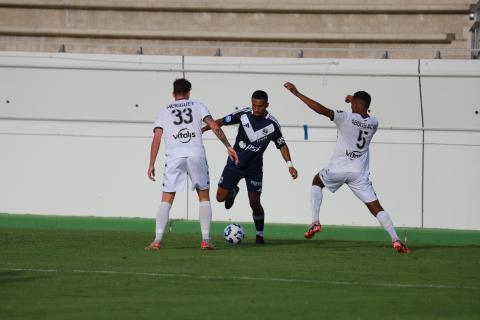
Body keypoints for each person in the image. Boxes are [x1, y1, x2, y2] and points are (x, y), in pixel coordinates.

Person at [283, 82, 411, 254]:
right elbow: (364, 113)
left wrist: (297, 93)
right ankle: (395, 239)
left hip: (338, 169)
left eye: (352, 104)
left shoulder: (346, 118)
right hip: (359, 173)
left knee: (316, 181)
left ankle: (315, 221)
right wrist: (354, 100)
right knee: (375, 207)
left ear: (356, 105)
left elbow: (321, 109)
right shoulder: (374, 123)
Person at [145, 78, 238, 250]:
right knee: (204, 197)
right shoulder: (198, 105)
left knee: (167, 198)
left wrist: (151, 164)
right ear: (189, 93)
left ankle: (157, 241)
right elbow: (214, 126)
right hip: (196, 154)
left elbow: (157, 137)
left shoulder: (164, 111)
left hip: (174, 156)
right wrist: (228, 146)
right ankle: (205, 240)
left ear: (173, 94)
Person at [203, 90, 298, 244]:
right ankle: (233, 191)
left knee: (254, 203)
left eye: (260, 106)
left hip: (254, 170)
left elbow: (282, 145)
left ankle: (259, 234)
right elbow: (220, 121)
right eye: (254, 105)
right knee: (220, 198)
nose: (256, 109)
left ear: (267, 105)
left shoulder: (272, 124)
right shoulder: (243, 114)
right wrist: (203, 129)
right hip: (235, 163)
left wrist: (290, 166)